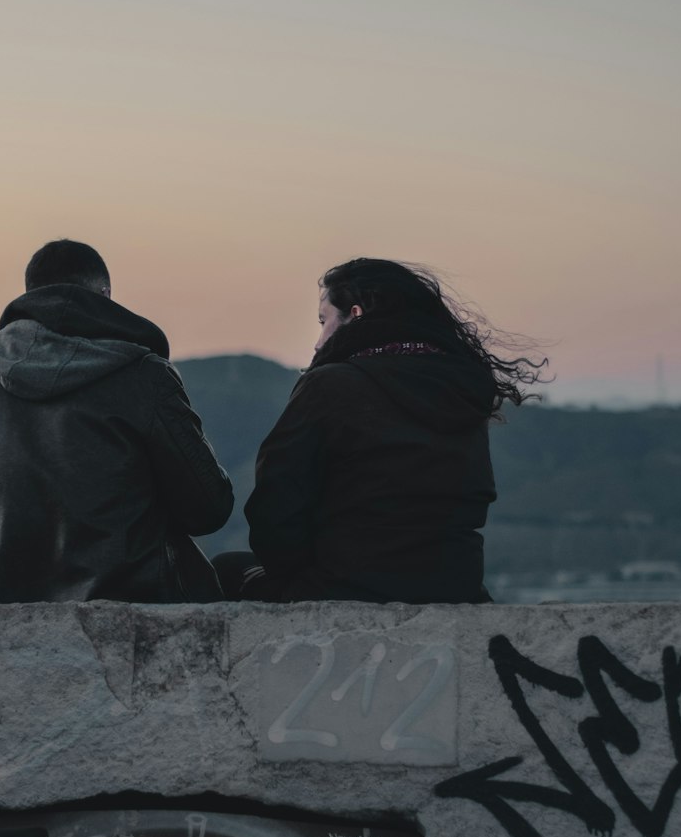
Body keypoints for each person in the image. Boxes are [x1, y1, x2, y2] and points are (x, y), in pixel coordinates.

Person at [216, 257, 545, 603]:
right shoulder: (460, 389)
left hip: (350, 585)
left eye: (324, 321)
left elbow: (276, 504)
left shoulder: (331, 384)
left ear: (355, 315)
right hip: (456, 585)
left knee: (224, 570)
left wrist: (300, 570)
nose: (317, 342)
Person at [0, 239, 233, 603]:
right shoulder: (143, 376)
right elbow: (208, 509)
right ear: (105, 294)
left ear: (31, 296)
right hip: (132, 612)